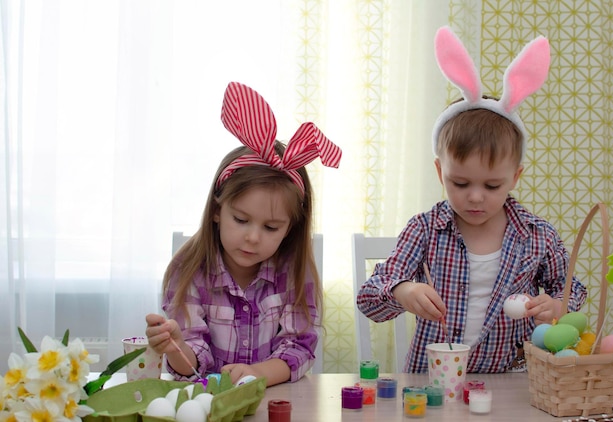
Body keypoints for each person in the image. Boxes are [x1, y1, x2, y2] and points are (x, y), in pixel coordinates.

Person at [356, 26, 587, 373]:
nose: (475, 197)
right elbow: (369, 299)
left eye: (493, 186)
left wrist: (557, 306)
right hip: (433, 382)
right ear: (440, 172)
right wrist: (402, 290)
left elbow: (573, 291)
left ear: (515, 178)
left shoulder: (537, 235)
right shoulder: (425, 229)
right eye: (460, 183)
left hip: (512, 381)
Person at [145, 81, 342, 386]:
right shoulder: (188, 270)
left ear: (291, 229)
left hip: (274, 402)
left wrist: (258, 374)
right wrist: (176, 348)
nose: (253, 237)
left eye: (270, 227)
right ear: (216, 209)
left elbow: (299, 348)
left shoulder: (293, 270)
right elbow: (190, 365)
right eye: (240, 219)